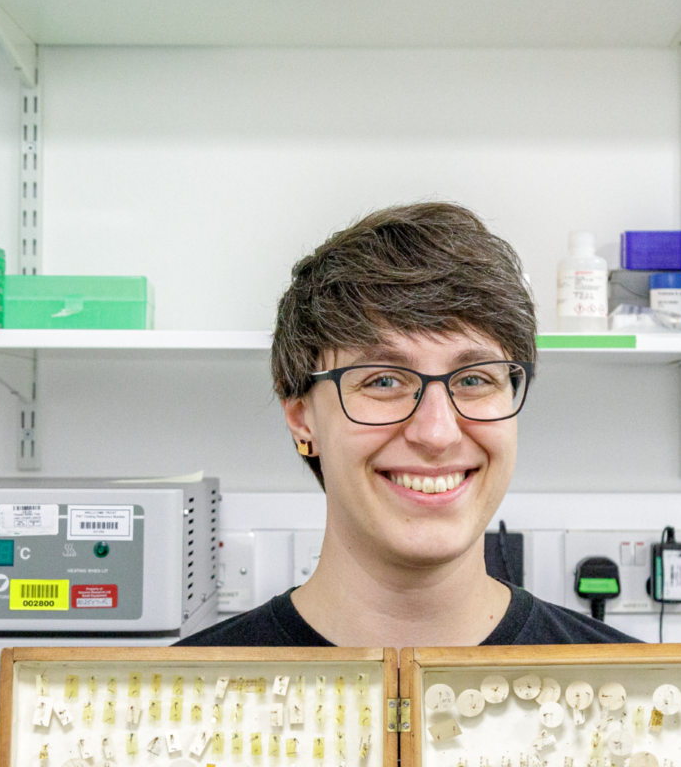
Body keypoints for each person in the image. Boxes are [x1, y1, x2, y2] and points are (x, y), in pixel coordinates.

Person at [183, 202, 635, 648]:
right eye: (384, 380)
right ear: (302, 417)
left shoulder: (641, 694)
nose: (437, 433)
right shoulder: (173, 699)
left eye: (475, 379)